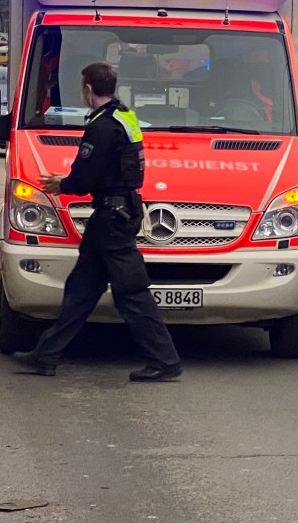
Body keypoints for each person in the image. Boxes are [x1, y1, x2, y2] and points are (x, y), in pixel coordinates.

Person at [15, 62, 182, 382]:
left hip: (111, 218)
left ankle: (164, 359)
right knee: (82, 288)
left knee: (131, 292)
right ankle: (46, 354)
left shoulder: (102, 127)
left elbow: (85, 176)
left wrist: (61, 184)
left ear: (88, 89)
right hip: (117, 213)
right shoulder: (124, 116)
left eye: (83, 88)